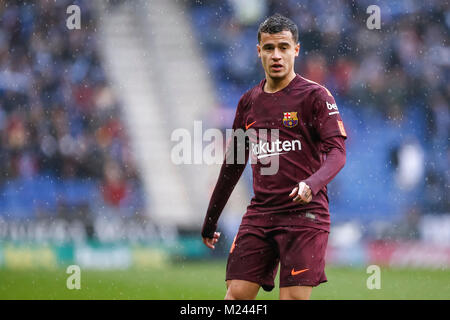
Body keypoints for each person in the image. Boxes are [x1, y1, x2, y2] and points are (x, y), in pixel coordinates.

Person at [201, 13, 347, 300]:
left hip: (305, 215)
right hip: (261, 213)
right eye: (269, 48)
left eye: (283, 47)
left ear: (296, 50)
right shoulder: (248, 102)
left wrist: (312, 184)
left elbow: (338, 154)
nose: (276, 55)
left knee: (291, 298)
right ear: (259, 52)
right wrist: (210, 220)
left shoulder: (316, 96)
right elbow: (233, 165)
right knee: (237, 295)